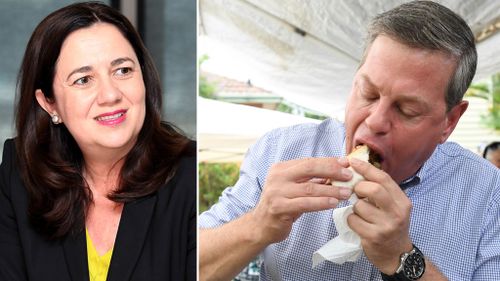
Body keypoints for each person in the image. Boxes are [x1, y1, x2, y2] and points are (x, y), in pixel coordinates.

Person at [199, 1, 500, 281]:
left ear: (449, 121)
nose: (376, 121)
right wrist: (257, 225)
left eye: (407, 110)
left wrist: (402, 258)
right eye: (368, 93)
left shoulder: (489, 195)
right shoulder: (279, 151)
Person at [0, 2, 196, 281]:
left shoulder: (189, 175)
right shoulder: (19, 174)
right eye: (83, 80)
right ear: (49, 103)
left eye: (123, 71)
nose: (110, 94)